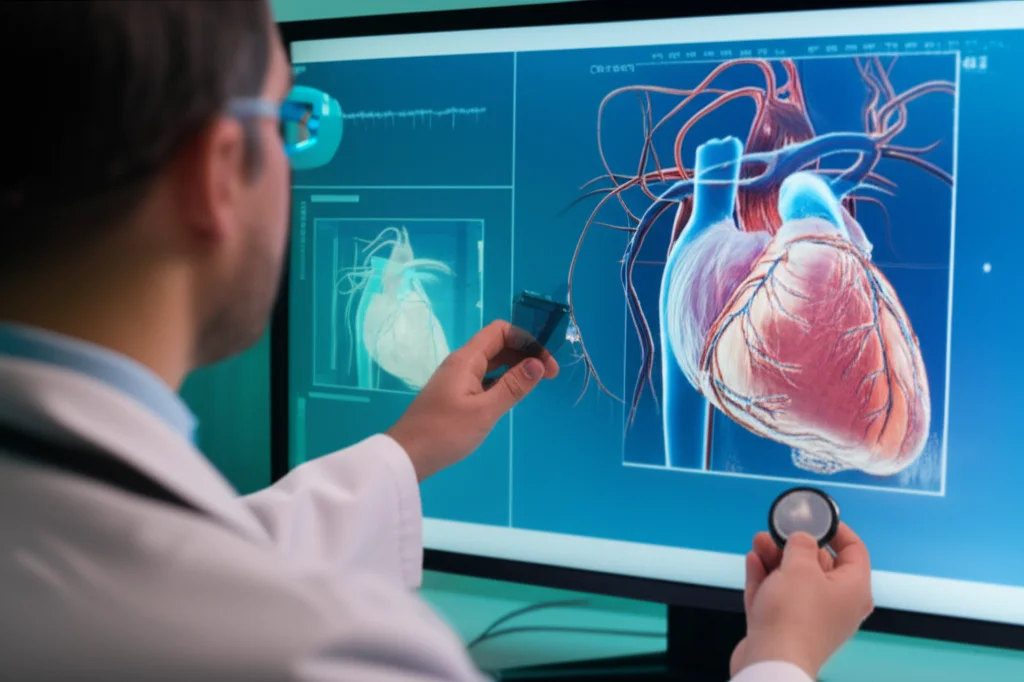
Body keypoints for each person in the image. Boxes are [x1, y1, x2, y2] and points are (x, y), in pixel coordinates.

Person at [0, 2, 874, 681]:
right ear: (216, 172)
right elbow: (206, 586)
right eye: (291, 121)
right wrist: (781, 656)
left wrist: (405, 450)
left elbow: (194, 560)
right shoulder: (326, 655)